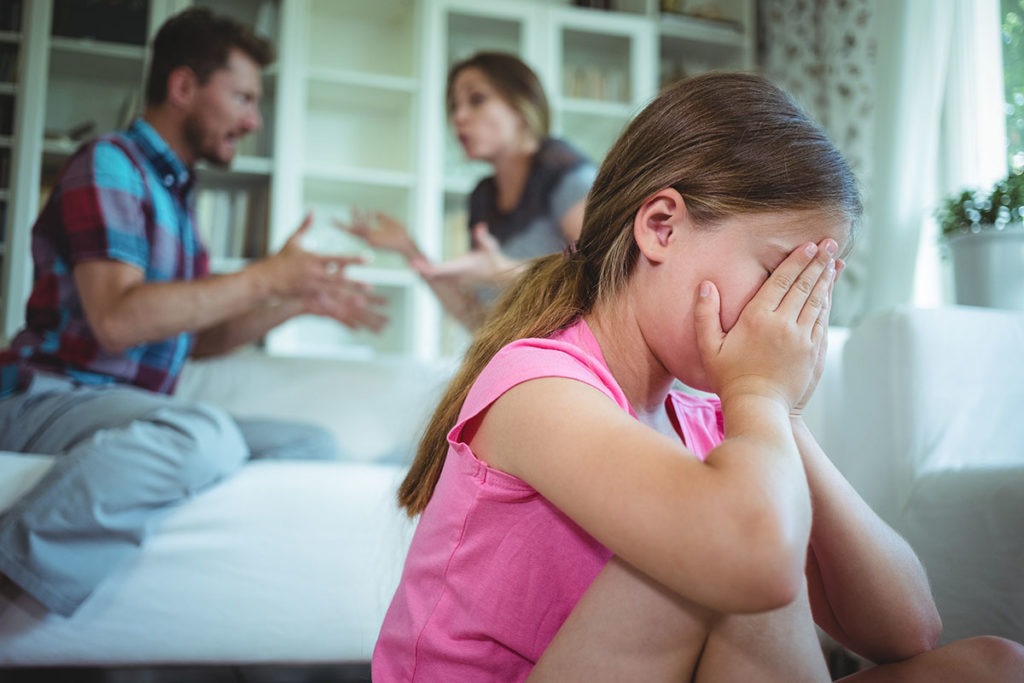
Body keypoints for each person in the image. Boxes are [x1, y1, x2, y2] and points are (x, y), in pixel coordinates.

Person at [371, 72, 1024, 681]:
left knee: (993, 663)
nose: (787, 319)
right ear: (661, 227)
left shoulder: (718, 421)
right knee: (733, 554)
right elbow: (753, 561)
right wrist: (760, 394)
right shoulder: (537, 385)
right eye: (777, 277)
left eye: (810, 291)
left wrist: (779, 410)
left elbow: (909, 627)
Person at [0, 7, 385, 617]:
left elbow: (192, 338)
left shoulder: (176, 199)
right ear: (183, 88)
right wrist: (264, 275)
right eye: (242, 97)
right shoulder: (109, 164)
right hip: (46, 397)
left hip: (119, 407)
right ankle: (12, 568)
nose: (252, 119)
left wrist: (290, 302)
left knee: (309, 443)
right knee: (199, 432)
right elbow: (118, 321)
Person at [342, 51, 596, 331]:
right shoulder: (483, 196)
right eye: (454, 106)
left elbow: (600, 278)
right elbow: (477, 319)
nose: (459, 117)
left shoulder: (564, 171)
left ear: (522, 105)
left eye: (476, 100)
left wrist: (499, 271)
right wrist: (407, 247)